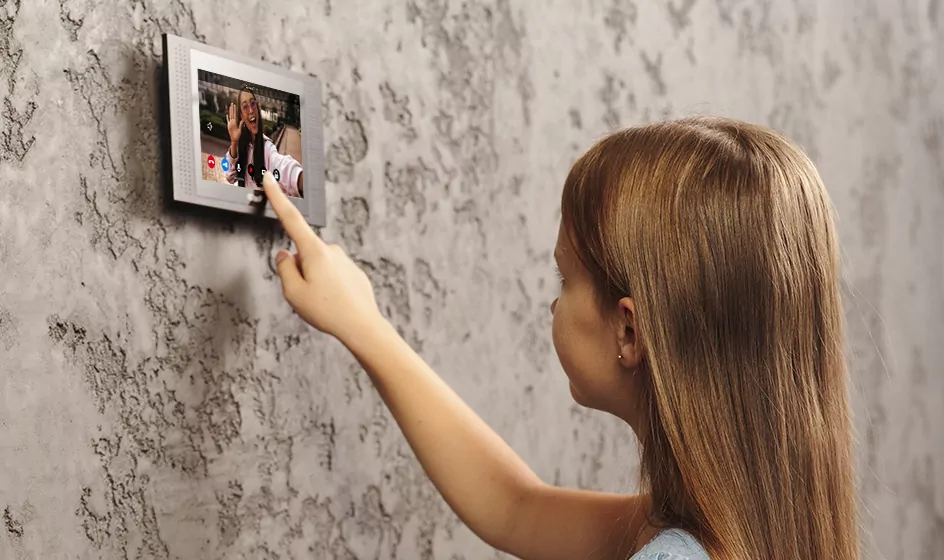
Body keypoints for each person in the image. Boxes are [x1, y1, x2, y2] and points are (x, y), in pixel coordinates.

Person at [259, 116, 860, 560]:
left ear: (629, 330)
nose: (553, 302)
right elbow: (515, 507)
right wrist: (365, 328)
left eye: (565, 278)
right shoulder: (754, 524)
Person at [225, 86, 304, 198]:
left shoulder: (267, 147)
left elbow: (283, 166)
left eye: (253, 104)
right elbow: (229, 176)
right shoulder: (240, 146)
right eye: (245, 106)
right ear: (241, 116)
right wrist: (234, 142)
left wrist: (301, 179)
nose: (251, 110)